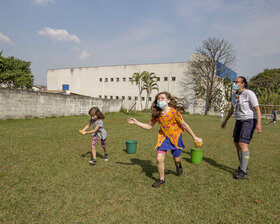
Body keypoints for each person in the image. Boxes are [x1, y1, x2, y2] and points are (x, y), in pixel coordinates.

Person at [127, 92, 202, 188]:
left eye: (162, 98)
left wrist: (194, 137)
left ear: (168, 100)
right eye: (158, 98)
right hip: (164, 138)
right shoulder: (156, 114)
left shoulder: (174, 112)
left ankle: (178, 165)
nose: (160, 100)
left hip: (176, 138)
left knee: (177, 159)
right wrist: (136, 122)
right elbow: (149, 126)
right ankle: (161, 179)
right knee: (159, 159)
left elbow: (184, 125)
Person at [221, 76, 262, 179]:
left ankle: (243, 172)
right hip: (238, 121)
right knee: (236, 143)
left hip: (249, 120)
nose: (234, 83)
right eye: (234, 82)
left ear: (243, 84)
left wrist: (259, 124)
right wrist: (225, 121)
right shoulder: (234, 95)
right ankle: (243, 166)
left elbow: (257, 109)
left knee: (243, 144)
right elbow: (232, 109)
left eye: (237, 82)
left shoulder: (249, 93)